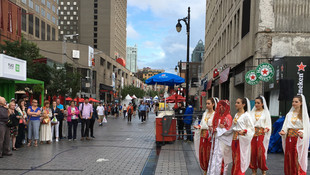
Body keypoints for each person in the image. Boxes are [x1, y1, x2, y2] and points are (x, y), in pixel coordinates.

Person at [279, 95, 309, 175]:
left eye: (296, 102)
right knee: (289, 156)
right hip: (289, 139)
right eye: (293, 101)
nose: (294, 103)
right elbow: (285, 126)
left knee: (297, 157)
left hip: (298, 140)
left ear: (301, 103)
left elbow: (307, 128)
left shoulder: (304, 115)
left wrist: (302, 132)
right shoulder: (289, 114)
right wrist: (283, 131)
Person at [207, 100, 233, 175]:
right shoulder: (217, 116)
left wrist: (219, 129)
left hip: (223, 141)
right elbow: (214, 126)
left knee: (221, 158)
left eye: (223, 106)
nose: (221, 107)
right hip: (216, 139)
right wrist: (212, 129)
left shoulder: (228, 117)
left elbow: (229, 130)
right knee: (214, 156)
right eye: (220, 105)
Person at [231, 98, 254, 175]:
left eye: (238, 103)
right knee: (234, 158)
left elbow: (251, 128)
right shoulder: (236, 115)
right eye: (236, 102)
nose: (236, 104)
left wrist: (245, 131)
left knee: (239, 159)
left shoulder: (247, 115)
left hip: (241, 140)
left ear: (243, 104)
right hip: (234, 139)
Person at [249, 96, 271, 175]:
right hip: (252, 135)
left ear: (262, 104)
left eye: (258, 103)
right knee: (253, 152)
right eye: (255, 103)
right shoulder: (251, 113)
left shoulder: (266, 112)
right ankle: (253, 170)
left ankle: (263, 169)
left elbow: (268, 124)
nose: (256, 104)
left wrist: (266, 129)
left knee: (260, 152)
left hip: (261, 134)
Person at [193, 98, 216, 174]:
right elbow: (202, 124)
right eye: (206, 103)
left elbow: (215, 126)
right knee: (202, 152)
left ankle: (209, 170)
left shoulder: (215, 114)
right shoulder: (204, 114)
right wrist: (198, 127)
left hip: (209, 137)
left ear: (213, 104)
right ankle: (204, 170)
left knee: (208, 153)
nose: (207, 105)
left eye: (209, 103)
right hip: (202, 136)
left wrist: (211, 128)